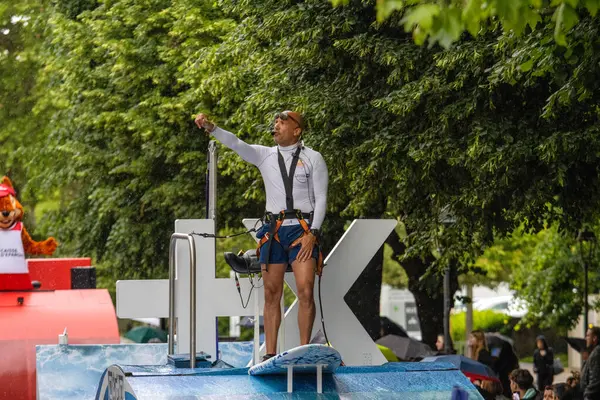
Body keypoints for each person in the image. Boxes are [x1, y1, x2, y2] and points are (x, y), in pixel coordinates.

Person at [195, 111, 328, 362]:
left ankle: (303, 351)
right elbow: (236, 143)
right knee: (271, 292)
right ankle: (270, 353)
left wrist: (313, 233)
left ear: (297, 130)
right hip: (275, 230)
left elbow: (321, 198)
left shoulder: (313, 158)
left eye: (282, 122)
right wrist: (212, 128)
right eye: (275, 122)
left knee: (306, 291)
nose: (276, 125)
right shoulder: (265, 155)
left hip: (302, 230)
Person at [581, 326, 600, 400]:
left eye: (588, 335)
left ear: (594, 338)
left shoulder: (597, 352)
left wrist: (587, 395)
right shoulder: (594, 351)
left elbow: (595, 381)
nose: (586, 338)